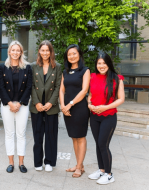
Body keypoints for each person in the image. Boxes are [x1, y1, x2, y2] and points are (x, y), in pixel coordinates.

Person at [87, 52, 125, 185]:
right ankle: (101, 170)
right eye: (99, 63)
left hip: (109, 116)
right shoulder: (92, 77)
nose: (101, 65)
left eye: (104, 63)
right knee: (98, 144)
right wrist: (89, 104)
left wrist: (104, 107)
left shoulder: (117, 78)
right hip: (94, 116)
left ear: (108, 64)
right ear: (96, 64)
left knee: (103, 144)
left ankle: (109, 174)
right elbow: (90, 95)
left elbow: (121, 99)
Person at [0, 41, 32, 173]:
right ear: (9, 52)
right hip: (7, 105)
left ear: (21, 52)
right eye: (13, 50)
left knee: (21, 134)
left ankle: (21, 163)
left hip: (22, 105)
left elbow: (29, 87)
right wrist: (10, 103)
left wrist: (19, 103)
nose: (16, 52)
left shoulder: (27, 67)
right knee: (9, 134)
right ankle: (11, 163)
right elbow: (1, 86)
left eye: (18, 50)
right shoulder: (2, 67)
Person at [30, 40, 61, 172]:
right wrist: (36, 102)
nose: (45, 53)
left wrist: (50, 103)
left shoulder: (57, 67)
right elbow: (30, 86)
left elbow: (58, 86)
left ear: (51, 52)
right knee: (37, 135)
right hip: (36, 106)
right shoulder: (33, 66)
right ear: (39, 51)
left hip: (51, 106)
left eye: (47, 50)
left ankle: (49, 162)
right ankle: (37, 162)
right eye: (42, 50)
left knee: (51, 135)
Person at [59, 44, 90, 178]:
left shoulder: (85, 70)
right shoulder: (65, 72)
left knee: (81, 137)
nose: (72, 56)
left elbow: (84, 91)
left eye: (74, 53)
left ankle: (79, 167)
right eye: (69, 54)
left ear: (79, 55)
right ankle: (79, 165)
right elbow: (61, 90)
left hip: (79, 108)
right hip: (67, 109)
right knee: (74, 137)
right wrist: (63, 106)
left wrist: (70, 104)